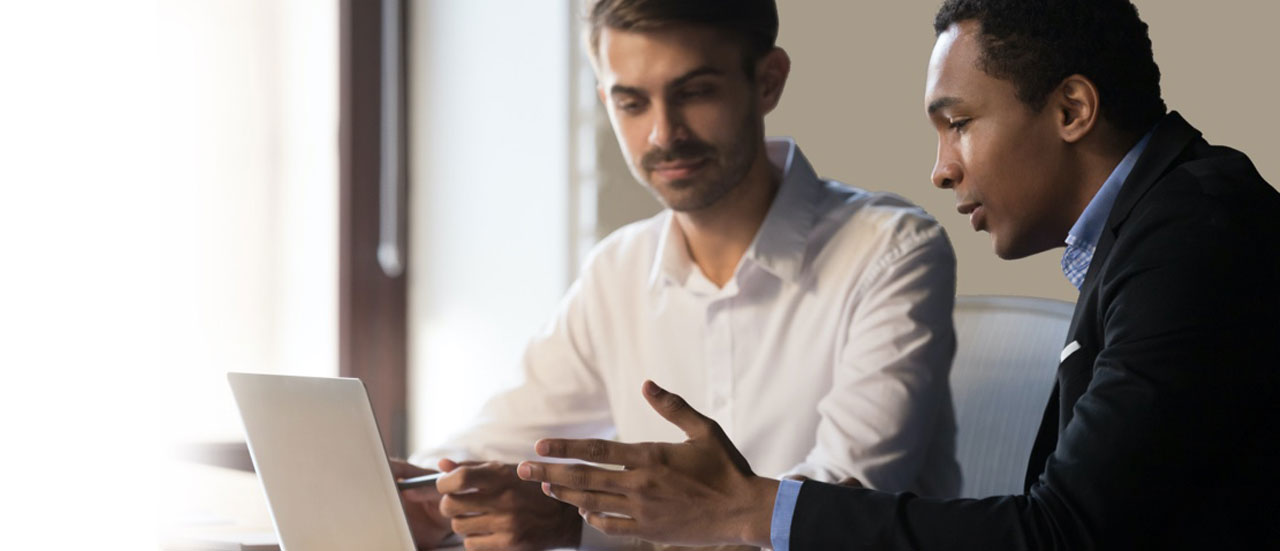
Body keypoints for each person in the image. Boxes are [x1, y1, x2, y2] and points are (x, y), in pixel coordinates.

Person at [517, 0, 1280, 549]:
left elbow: (1063, 530)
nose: (940, 169)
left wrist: (751, 509)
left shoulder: (1193, 234)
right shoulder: (1157, 225)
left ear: (1073, 107)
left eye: (959, 123)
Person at [394, 1, 963, 549]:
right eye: (632, 104)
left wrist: (580, 528)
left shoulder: (891, 252)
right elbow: (496, 440)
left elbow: (836, 510)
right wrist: (426, 493)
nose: (663, 134)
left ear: (768, 81)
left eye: (694, 93)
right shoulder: (618, 270)